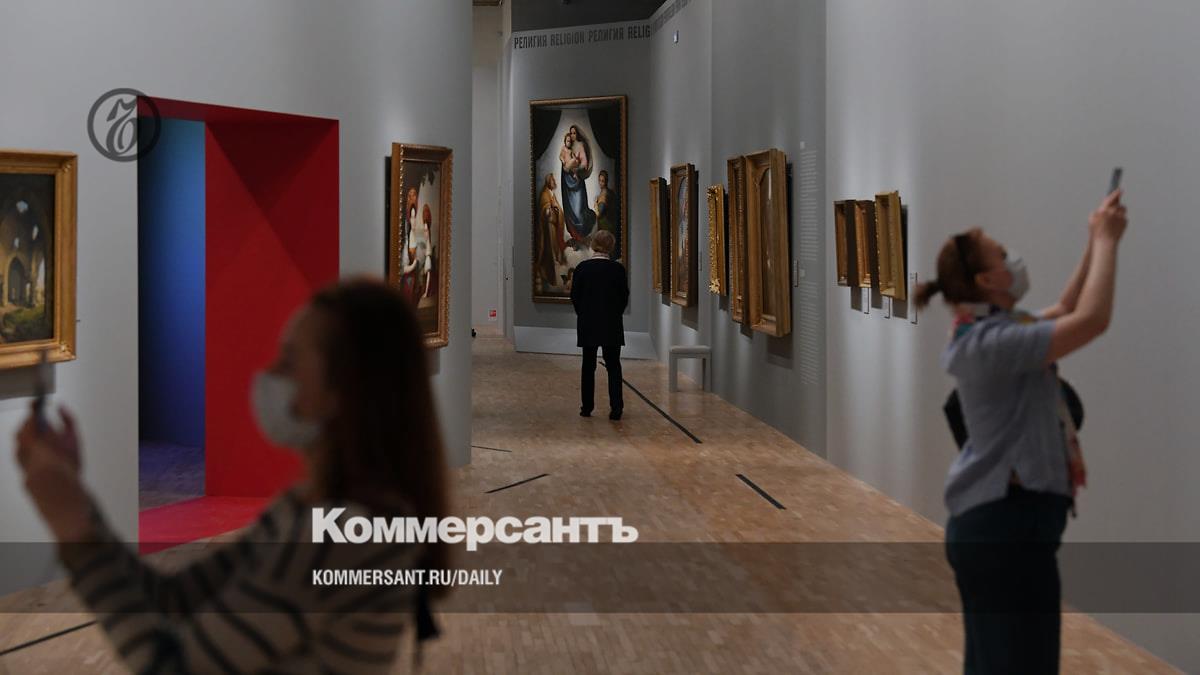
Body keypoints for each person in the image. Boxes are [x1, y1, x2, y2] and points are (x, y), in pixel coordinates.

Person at [15, 278, 451, 673]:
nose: (269, 375)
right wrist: (78, 507)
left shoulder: (336, 540)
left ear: (343, 390)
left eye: (289, 361)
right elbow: (172, 601)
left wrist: (73, 524)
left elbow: (170, 665)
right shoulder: (306, 512)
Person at [913, 189, 1128, 674]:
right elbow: (1092, 320)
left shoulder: (993, 329)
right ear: (988, 280)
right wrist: (1109, 242)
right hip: (1003, 534)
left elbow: (1067, 307)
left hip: (1005, 531)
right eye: (1002, 253)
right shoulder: (992, 343)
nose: (1014, 257)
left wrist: (1094, 239)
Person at [570, 229, 628, 420]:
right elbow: (623, 297)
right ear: (611, 246)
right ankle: (616, 408)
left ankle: (587, 407)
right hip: (611, 323)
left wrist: (584, 314)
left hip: (588, 323)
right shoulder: (617, 270)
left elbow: (575, 296)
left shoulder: (582, 268)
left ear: (594, 245)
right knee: (613, 365)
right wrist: (614, 314)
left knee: (588, 366)